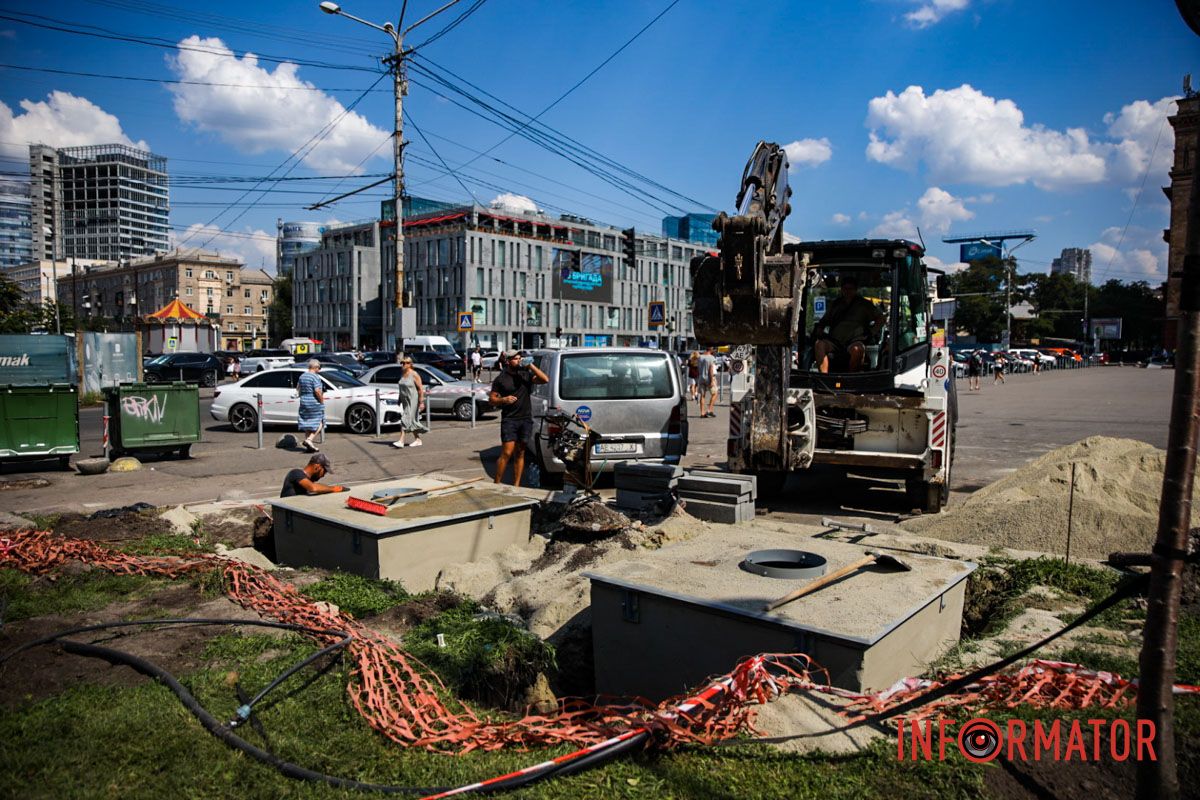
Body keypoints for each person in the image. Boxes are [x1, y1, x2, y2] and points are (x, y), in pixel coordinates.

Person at [488, 350, 548, 486]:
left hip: (525, 419)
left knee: (520, 453)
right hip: (510, 420)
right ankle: (496, 483)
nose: (519, 360)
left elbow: (545, 379)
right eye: (516, 358)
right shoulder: (501, 379)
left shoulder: (525, 374)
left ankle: (516, 485)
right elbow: (491, 399)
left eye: (520, 358)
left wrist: (530, 365)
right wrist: (503, 399)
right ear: (508, 361)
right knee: (507, 453)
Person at [812, 275, 886, 374]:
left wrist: (871, 333)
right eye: (845, 288)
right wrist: (819, 330)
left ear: (856, 290)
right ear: (842, 289)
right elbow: (824, 321)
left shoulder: (864, 305)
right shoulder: (835, 304)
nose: (848, 291)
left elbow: (881, 319)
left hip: (854, 341)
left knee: (858, 349)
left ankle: (850, 377)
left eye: (851, 289)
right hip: (835, 342)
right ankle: (824, 376)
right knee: (819, 345)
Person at [392, 356, 428, 448]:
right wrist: (399, 399)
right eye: (402, 363)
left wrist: (421, 402)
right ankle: (418, 439)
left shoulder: (414, 374)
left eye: (405, 363)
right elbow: (402, 388)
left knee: (405, 418)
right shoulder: (403, 373)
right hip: (405, 401)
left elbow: (420, 389)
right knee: (411, 420)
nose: (403, 364)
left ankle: (401, 440)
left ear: (410, 364)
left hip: (413, 400)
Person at [280, 453, 346, 497]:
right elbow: (313, 488)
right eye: (324, 472)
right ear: (317, 467)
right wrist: (334, 489)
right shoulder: (296, 473)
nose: (323, 476)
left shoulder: (309, 480)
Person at [296, 358, 326, 453]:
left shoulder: (302, 376)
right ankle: (309, 440)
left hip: (304, 401)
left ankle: (309, 446)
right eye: (319, 368)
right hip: (314, 402)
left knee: (307, 423)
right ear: (316, 367)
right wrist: (321, 400)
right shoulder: (315, 377)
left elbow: (298, 389)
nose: (319, 370)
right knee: (320, 422)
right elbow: (317, 391)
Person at [697, 347, 717, 417]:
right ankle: (709, 410)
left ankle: (702, 413)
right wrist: (711, 380)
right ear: (711, 349)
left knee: (702, 395)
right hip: (709, 378)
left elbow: (698, 368)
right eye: (713, 349)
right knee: (715, 394)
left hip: (701, 378)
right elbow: (711, 370)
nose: (714, 350)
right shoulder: (712, 358)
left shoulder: (700, 357)